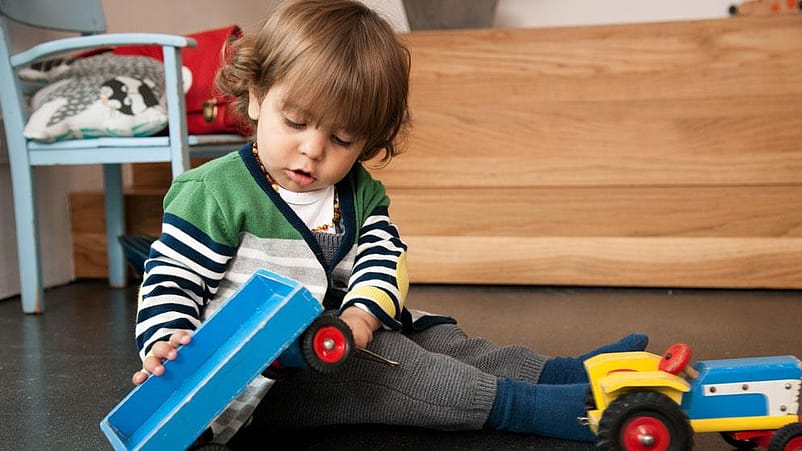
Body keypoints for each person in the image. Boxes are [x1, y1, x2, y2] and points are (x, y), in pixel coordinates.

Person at [132, 0, 648, 446]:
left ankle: (561, 372)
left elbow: (381, 256)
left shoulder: (359, 191)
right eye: (295, 122)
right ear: (257, 96)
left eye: (342, 139)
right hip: (264, 384)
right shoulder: (213, 193)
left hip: (333, 338)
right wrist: (167, 341)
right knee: (408, 368)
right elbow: (172, 280)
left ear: (367, 141)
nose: (313, 149)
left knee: (444, 340)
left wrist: (362, 312)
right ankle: (532, 407)